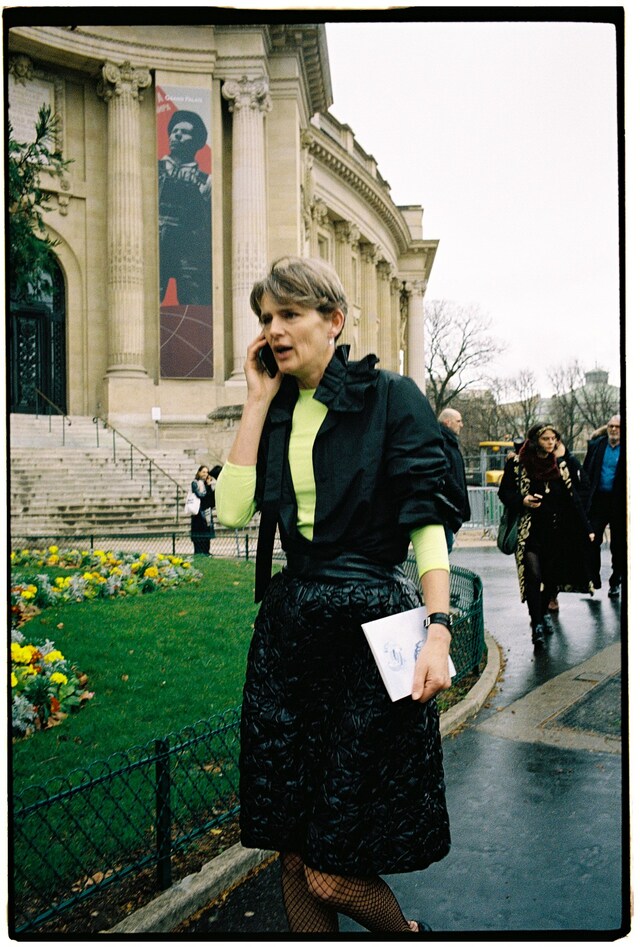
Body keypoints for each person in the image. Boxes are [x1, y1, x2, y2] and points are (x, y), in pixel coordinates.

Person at [215, 256, 454, 934]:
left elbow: (426, 521)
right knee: (293, 856)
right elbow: (232, 510)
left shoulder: (391, 397)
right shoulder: (279, 407)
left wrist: (438, 628)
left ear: (335, 320)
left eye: (289, 314)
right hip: (293, 638)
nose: (275, 329)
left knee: (329, 862)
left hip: (372, 632)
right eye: (267, 318)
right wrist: (257, 400)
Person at [498, 423, 595, 647]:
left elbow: (573, 499)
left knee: (551, 578)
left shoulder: (560, 466)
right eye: (546, 439)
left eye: (554, 439)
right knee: (533, 575)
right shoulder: (517, 464)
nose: (551, 443)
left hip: (557, 531)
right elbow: (505, 492)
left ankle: (542, 613)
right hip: (530, 530)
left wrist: (587, 528)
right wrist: (522, 501)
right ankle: (536, 623)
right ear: (534, 441)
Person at [158, 110, 212, 306]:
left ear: (197, 141)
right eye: (174, 131)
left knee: (193, 306)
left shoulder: (207, 181)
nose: (176, 135)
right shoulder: (155, 170)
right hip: (157, 248)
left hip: (189, 252)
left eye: (184, 132)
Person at [583, 414, 624, 598]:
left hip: (619, 502)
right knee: (592, 539)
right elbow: (585, 472)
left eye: (617, 426)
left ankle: (616, 580)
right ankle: (593, 577)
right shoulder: (597, 446)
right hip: (598, 500)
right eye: (610, 426)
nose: (613, 429)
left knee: (619, 544)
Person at [437, 407, 471, 552]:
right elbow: (445, 473)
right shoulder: (444, 443)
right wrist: (459, 495)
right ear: (447, 422)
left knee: (445, 549)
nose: (461, 425)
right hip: (445, 507)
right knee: (444, 549)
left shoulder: (447, 443)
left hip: (448, 506)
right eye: (458, 421)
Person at [190, 464, 214, 555]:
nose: (205, 474)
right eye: (203, 472)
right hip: (198, 513)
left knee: (206, 531)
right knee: (198, 532)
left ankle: (206, 551)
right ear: (199, 472)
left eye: (207, 472)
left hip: (206, 512)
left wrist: (208, 485)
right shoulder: (195, 483)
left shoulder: (206, 484)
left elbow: (210, 497)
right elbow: (200, 495)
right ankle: (198, 551)